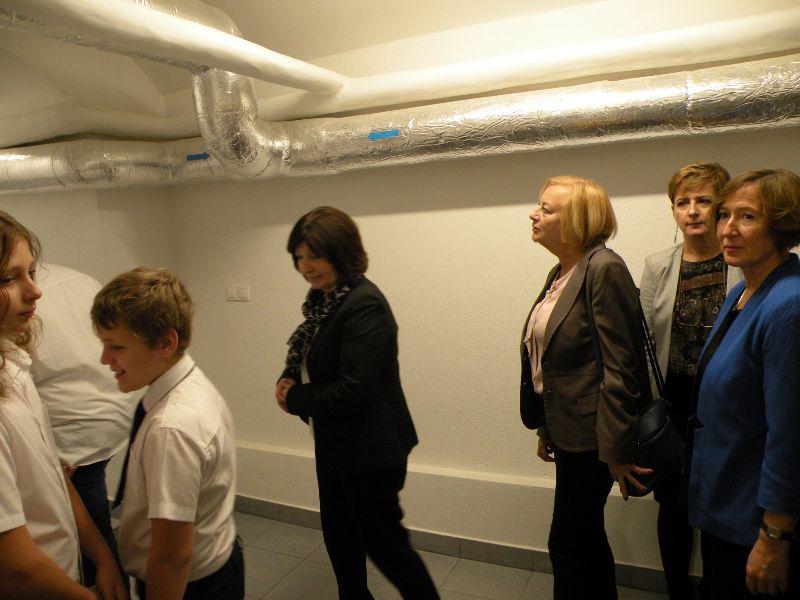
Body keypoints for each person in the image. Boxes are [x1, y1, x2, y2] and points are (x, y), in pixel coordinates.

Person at [275, 206, 438, 599]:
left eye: (314, 256)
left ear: (341, 252)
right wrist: (290, 373)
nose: (305, 267)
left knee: (386, 546)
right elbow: (315, 352)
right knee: (340, 537)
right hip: (335, 443)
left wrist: (296, 398)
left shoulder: (364, 304)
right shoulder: (324, 301)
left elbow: (355, 389)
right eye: (299, 257)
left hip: (370, 451)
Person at [520, 176, 651, 600]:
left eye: (546, 209)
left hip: (595, 438)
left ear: (577, 220)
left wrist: (618, 450)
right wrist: (547, 427)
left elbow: (620, 366)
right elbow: (556, 363)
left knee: (569, 544)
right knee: (584, 540)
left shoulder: (603, 268)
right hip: (570, 432)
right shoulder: (562, 271)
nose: (533, 215)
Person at [91, 267, 243, 600]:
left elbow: (171, 559)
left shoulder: (171, 428)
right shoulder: (188, 382)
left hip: (191, 588)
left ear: (165, 342)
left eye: (115, 346)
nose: (104, 359)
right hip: (219, 561)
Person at [0, 210, 128, 599]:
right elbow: (16, 568)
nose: (35, 291)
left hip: (60, 571)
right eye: (8, 279)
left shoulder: (13, 364)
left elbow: (55, 474)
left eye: (31, 272)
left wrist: (103, 558)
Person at [687, 168, 800, 599]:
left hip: (757, 517)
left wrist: (775, 537)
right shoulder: (743, 290)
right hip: (725, 499)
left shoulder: (790, 305)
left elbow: (789, 437)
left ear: (782, 226)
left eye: (747, 216)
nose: (727, 229)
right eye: (724, 214)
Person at [639, 162, 741, 599]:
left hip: (725, 408)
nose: (693, 210)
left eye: (703, 200)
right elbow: (645, 338)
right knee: (672, 506)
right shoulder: (658, 265)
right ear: (674, 211)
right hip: (673, 407)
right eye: (683, 202)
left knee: (723, 505)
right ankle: (677, 591)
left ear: (721, 207)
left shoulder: (741, 261)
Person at [30, 263, 137, 586]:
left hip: (69, 443)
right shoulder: (78, 278)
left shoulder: (23, 304)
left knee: (90, 540)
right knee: (94, 529)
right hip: (112, 419)